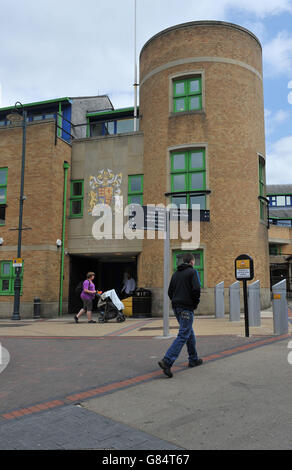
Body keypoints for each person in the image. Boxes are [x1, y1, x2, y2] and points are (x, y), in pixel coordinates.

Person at [158, 253, 203, 378]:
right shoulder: (192, 272)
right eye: (194, 261)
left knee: (188, 331)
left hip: (177, 307)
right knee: (183, 334)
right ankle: (167, 361)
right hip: (186, 308)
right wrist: (194, 303)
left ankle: (193, 359)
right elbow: (196, 290)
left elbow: (169, 292)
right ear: (192, 262)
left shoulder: (176, 274)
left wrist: (176, 301)